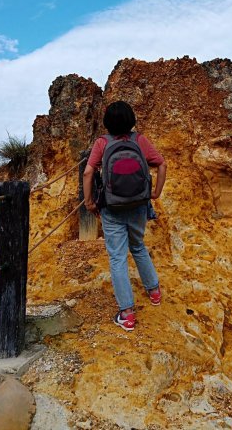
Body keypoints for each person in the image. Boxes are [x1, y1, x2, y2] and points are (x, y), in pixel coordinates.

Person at [83, 101, 167, 331]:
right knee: (138, 246)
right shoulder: (139, 140)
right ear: (132, 120)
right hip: (139, 204)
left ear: (107, 123)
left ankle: (127, 314)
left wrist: (89, 202)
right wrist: (156, 192)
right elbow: (161, 164)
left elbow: (89, 171)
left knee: (118, 257)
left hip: (112, 207)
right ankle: (155, 292)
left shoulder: (102, 143)